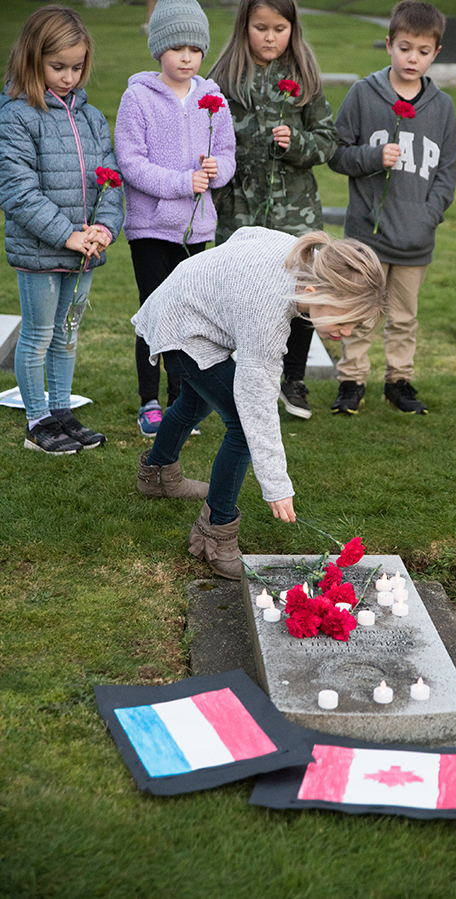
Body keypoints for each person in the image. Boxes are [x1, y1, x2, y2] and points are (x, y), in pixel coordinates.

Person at [131, 228, 386, 579]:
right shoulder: (268, 309)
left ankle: (157, 474)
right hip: (182, 326)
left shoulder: (302, 254)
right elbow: (257, 405)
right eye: (343, 322)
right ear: (312, 292)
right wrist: (277, 486)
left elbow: (245, 235)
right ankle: (215, 534)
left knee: (195, 401)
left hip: (185, 306)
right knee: (242, 427)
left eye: (354, 325)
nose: (346, 333)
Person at [0, 4, 123, 454]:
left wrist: (104, 230)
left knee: (68, 333)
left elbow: (111, 178)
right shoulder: (15, 115)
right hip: (40, 250)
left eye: (77, 67)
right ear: (33, 58)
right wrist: (67, 234)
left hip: (84, 250)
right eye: (58, 67)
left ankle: (61, 411)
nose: (69, 77)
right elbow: (16, 189)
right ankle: (38, 422)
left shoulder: (90, 117)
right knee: (38, 336)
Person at [327, 1, 456, 417]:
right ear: (388, 45)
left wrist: (427, 216)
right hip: (367, 235)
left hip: (415, 238)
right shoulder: (364, 95)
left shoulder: (442, 108)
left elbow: (447, 175)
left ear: (435, 53)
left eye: (422, 51)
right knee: (361, 313)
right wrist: (372, 156)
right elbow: (336, 154)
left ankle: (398, 381)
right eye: (404, 48)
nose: (412, 58)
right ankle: (352, 381)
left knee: (404, 317)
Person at [208, 0, 338, 421]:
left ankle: (292, 379)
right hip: (240, 206)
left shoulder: (305, 78)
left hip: (293, 208)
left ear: (292, 28)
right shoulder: (224, 77)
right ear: (244, 27)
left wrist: (296, 142)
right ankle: (231, 377)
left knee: (303, 289)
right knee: (239, 289)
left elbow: (327, 142)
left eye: (279, 28)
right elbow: (207, 133)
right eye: (260, 27)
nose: (269, 37)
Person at [115, 0, 236, 436]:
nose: (187, 57)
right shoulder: (137, 98)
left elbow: (227, 156)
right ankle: (149, 401)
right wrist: (183, 183)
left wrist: (214, 172)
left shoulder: (213, 97)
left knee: (187, 317)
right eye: (177, 47)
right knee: (153, 313)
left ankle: (181, 400)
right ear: (158, 49)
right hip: (151, 227)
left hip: (195, 228)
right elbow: (131, 162)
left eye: (195, 49)